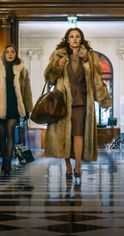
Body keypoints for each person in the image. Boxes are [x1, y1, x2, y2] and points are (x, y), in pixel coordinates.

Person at [44, 27, 111, 180]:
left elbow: (97, 80)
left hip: (82, 102)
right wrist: (58, 65)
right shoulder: (58, 55)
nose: (74, 39)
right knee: (65, 136)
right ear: (67, 39)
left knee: (78, 135)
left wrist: (103, 99)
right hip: (63, 102)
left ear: (81, 39)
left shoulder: (90, 57)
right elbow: (49, 78)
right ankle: (68, 166)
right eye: (71, 36)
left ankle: (78, 166)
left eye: (77, 36)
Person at [0, 44, 33, 176]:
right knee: (1, 136)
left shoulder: (22, 70)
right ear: (4, 54)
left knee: (10, 133)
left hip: (13, 106)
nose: (10, 54)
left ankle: (7, 163)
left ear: (16, 54)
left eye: (13, 52)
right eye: (7, 52)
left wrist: (28, 109)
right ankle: (5, 159)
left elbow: (27, 91)